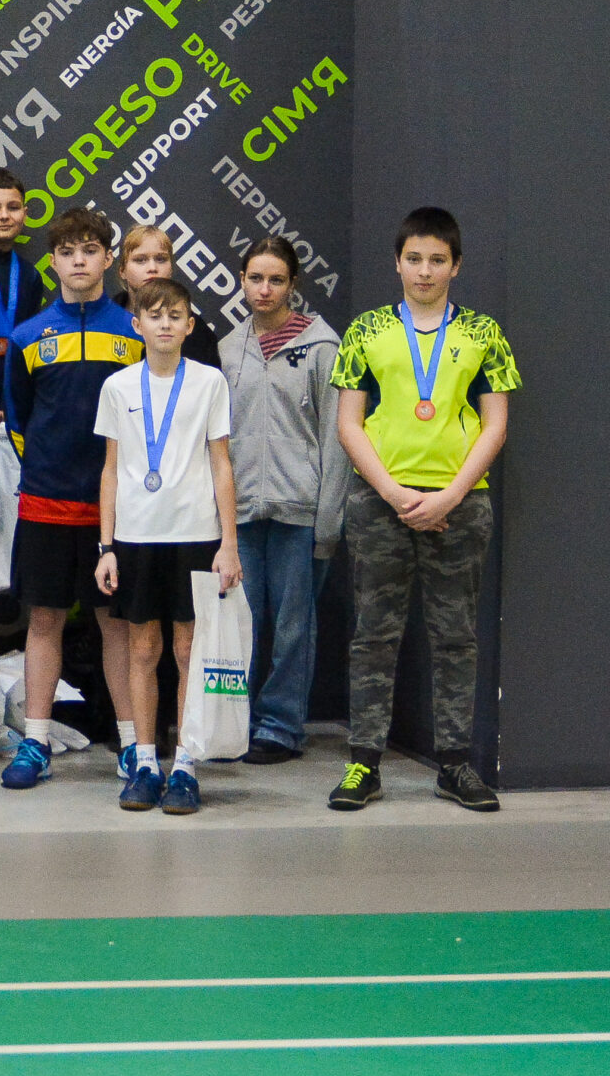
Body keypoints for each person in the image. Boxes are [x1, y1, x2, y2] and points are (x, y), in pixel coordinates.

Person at [328, 207, 516, 813]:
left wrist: (452, 495)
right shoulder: (366, 330)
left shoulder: (483, 333)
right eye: (414, 259)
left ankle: (454, 765)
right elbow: (348, 422)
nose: (425, 271)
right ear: (397, 263)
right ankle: (364, 763)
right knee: (373, 635)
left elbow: (495, 424)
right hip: (380, 502)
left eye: (438, 260)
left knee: (456, 637)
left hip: (461, 504)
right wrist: (391, 492)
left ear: (456, 266)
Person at [0, 210, 143, 790]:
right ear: (53, 261)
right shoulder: (28, 337)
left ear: (109, 259)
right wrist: (46, 471)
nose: (79, 260)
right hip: (47, 502)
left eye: (90, 249)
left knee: (118, 625)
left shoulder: (137, 332)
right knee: (44, 620)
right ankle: (35, 740)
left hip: (120, 510)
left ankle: (134, 745)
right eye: (67, 251)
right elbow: (17, 419)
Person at [92, 277, 241, 817]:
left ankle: (185, 766)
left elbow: (221, 464)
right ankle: (145, 764)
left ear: (189, 325)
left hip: (196, 536)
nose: (164, 324)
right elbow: (110, 470)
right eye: (154, 315)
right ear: (136, 324)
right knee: (142, 650)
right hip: (136, 539)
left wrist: (229, 542)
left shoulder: (209, 382)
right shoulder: (117, 386)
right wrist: (106, 546)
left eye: (175, 315)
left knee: (188, 653)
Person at [219, 237, 347, 764]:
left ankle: (280, 726)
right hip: (242, 513)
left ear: (293, 284)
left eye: (276, 280)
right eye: (255, 278)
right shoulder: (228, 349)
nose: (264, 289)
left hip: (301, 511)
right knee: (241, 624)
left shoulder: (322, 347)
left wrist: (328, 520)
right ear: (242, 281)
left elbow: (338, 436)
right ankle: (235, 724)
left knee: (294, 626)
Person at [0, 170, 47, 445]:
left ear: (24, 214)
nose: (4, 216)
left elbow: (31, 346)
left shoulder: (30, 276)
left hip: (15, 404)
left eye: (13, 208)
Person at [113, 224, 221, 367]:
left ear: (171, 269)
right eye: (140, 260)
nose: (152, 268)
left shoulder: (196, 332)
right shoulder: (101, 323)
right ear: (122, 271)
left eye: (161, 259)